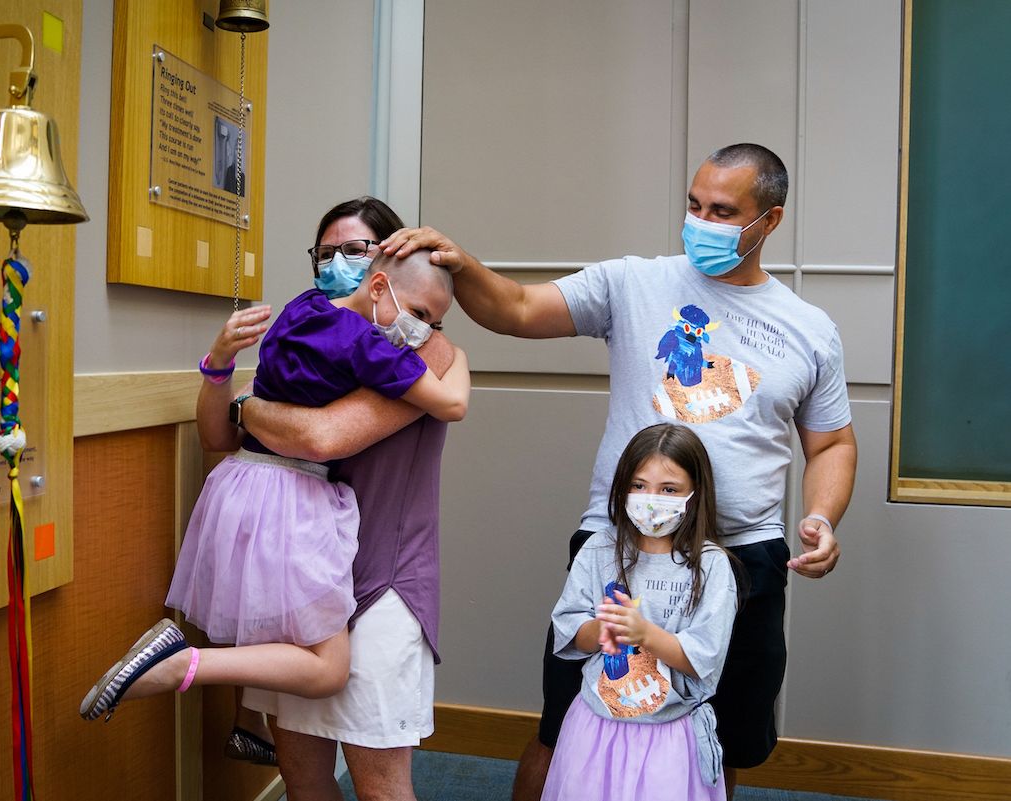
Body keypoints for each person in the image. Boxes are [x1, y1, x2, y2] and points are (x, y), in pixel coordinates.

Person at [382, 143, 858, 800]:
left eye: (723, 211)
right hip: (621, 551)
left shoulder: (809, 329)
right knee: (566, 725)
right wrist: (462, 267)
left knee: (719, 735)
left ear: (769, 221)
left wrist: (821, 517)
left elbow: (831, 442)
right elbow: (517, 308)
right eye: (694, 205)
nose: (701, 221)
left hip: (743, 559)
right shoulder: (634, 282)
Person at [79, 245, 470, 722]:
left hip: (236, 485)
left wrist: (240, 397)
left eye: (433, 323)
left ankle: (248, 728)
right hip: (290, 500)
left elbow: (234, 418)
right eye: (419, 315)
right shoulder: (371, 350)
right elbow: (451, 404)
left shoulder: (303, 307)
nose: (421, 331)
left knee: (279, 640)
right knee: (329, 669)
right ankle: (181, 663)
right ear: (380, 285)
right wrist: (461, 358)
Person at [542, 423, 738, 801]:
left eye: (668, 490)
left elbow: (704, 658)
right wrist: (601, 629)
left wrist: (644, 633)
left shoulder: (711, 566)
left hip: (669, 732)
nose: (651, 499)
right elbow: (569, 627)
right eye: (638, 485)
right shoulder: (600, 548)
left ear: (694, 495)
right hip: (595, 726)